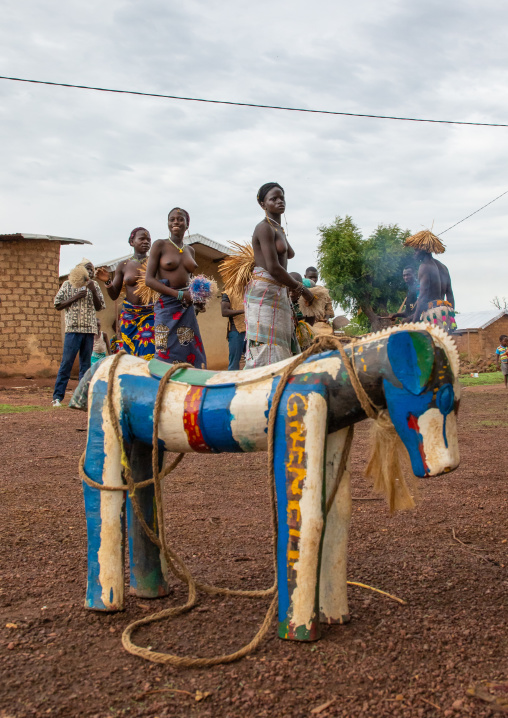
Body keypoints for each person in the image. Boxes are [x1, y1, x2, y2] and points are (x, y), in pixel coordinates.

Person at [244, 182, 314, 368]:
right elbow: (274, 268)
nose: (279, 201)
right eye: (273, 199)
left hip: (277, 290)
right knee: (266, 346)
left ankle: (279, 384)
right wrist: (301, 289)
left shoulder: (278, 228)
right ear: (262, 204)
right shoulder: (264, 228)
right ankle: (261, 386)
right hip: (264, 292)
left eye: (281, 197)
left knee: (281, 342)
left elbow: (289, 254)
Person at [144, 208, 206, 367]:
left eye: (180, 219)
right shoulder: (160, 245)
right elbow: (149, 280)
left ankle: (185, 387)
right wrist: (179, 295)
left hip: (186, 309)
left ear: (187, 224)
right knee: (164, 352)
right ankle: (161, 387)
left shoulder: (190, 250)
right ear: (168, 223)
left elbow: (189, 279)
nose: (175, 222)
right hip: (166, 307)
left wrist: (197, 298)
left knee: (189, 350)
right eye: (172, 219)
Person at [52, 259, 105, 407]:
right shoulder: (67, 285)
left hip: (89, 330)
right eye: (87, 269)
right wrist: (75, 297)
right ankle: (57, 397)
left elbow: (100, 307)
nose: (90, 272)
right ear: (80, 270)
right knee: (67, 363)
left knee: (85, 366)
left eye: (91, 270)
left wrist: (93, 290)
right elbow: (58, 304)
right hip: (73, 330)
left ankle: (83, 398)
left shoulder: (95, 286)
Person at [96, 227, 155, 360]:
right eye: (142, 239)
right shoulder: (123, 265)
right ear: (131, 242)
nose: (146, 242)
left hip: (150, 315)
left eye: (148, 240)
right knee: (130, 356)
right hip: (130, 316)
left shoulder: (154, 264)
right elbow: (114, 295)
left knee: (148, 353)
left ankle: (146, 380)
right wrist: (108, 282)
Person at [404, 231, 457, 334]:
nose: (414, 253)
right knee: (442, 346)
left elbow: (423, 296)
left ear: (424, 249)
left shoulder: (424, 267)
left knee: (432, 347)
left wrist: (414, 322)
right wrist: (451, 318)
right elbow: (450, 295)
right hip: (445, 312)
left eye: (416, 250)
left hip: (433, 314)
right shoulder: (443, 267)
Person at [221, 293, 245, 370]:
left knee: (252, 360)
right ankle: (232, 381)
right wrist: (244, 311)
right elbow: (224, 312)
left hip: (252, 331)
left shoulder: (250, 291)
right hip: (236, 331)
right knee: (234, 361)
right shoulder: (228, 293)